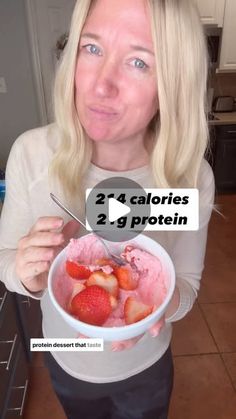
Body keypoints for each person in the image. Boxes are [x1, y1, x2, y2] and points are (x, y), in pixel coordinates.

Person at [0, 0, 215, 418]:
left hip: (146, 367)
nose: (100, 85)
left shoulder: (190, 178)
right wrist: (26, 274)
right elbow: (5, 258)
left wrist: (160, 306)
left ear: (173, 83)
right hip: (64, 356)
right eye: (92, 48)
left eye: (138, 62)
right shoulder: (31, 154)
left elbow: (185, 284)